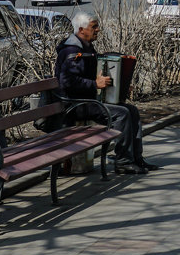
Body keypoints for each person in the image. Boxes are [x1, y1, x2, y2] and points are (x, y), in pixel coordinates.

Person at [55, 13, 158, 174]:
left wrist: (118, 87)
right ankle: (123, 161)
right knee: (121, 114)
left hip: (87, 101)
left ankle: (136, 159)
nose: (98, 30)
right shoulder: (72, 51)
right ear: (82, 30)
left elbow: (90, 75)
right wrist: (95, 84)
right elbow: (67, 82)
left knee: (132, 110)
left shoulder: (85, 47)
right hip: (75, 104)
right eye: (94, 27)